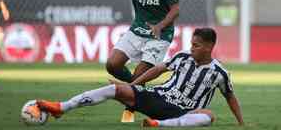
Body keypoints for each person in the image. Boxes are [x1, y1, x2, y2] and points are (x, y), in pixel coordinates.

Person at [36, 28, 244, 127]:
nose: (191, 48)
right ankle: (62, 107)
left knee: (208, 115)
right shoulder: (182, 57)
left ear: (209, 47)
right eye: (192, 44)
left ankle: (157, 125)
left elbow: (230, 97)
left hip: (182, 112)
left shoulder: (220, 73)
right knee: (114, 89)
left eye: (196, 45)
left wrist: (241, 123)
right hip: (157, 97)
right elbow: (158, 70)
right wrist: (133, 85)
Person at [70, 0, 180, 122]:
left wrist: (160, 26)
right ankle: (136, 94)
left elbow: (175, 9)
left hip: (159, 35)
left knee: (139, 74)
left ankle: (130, 104)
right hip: (137, 30)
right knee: (112, 65)